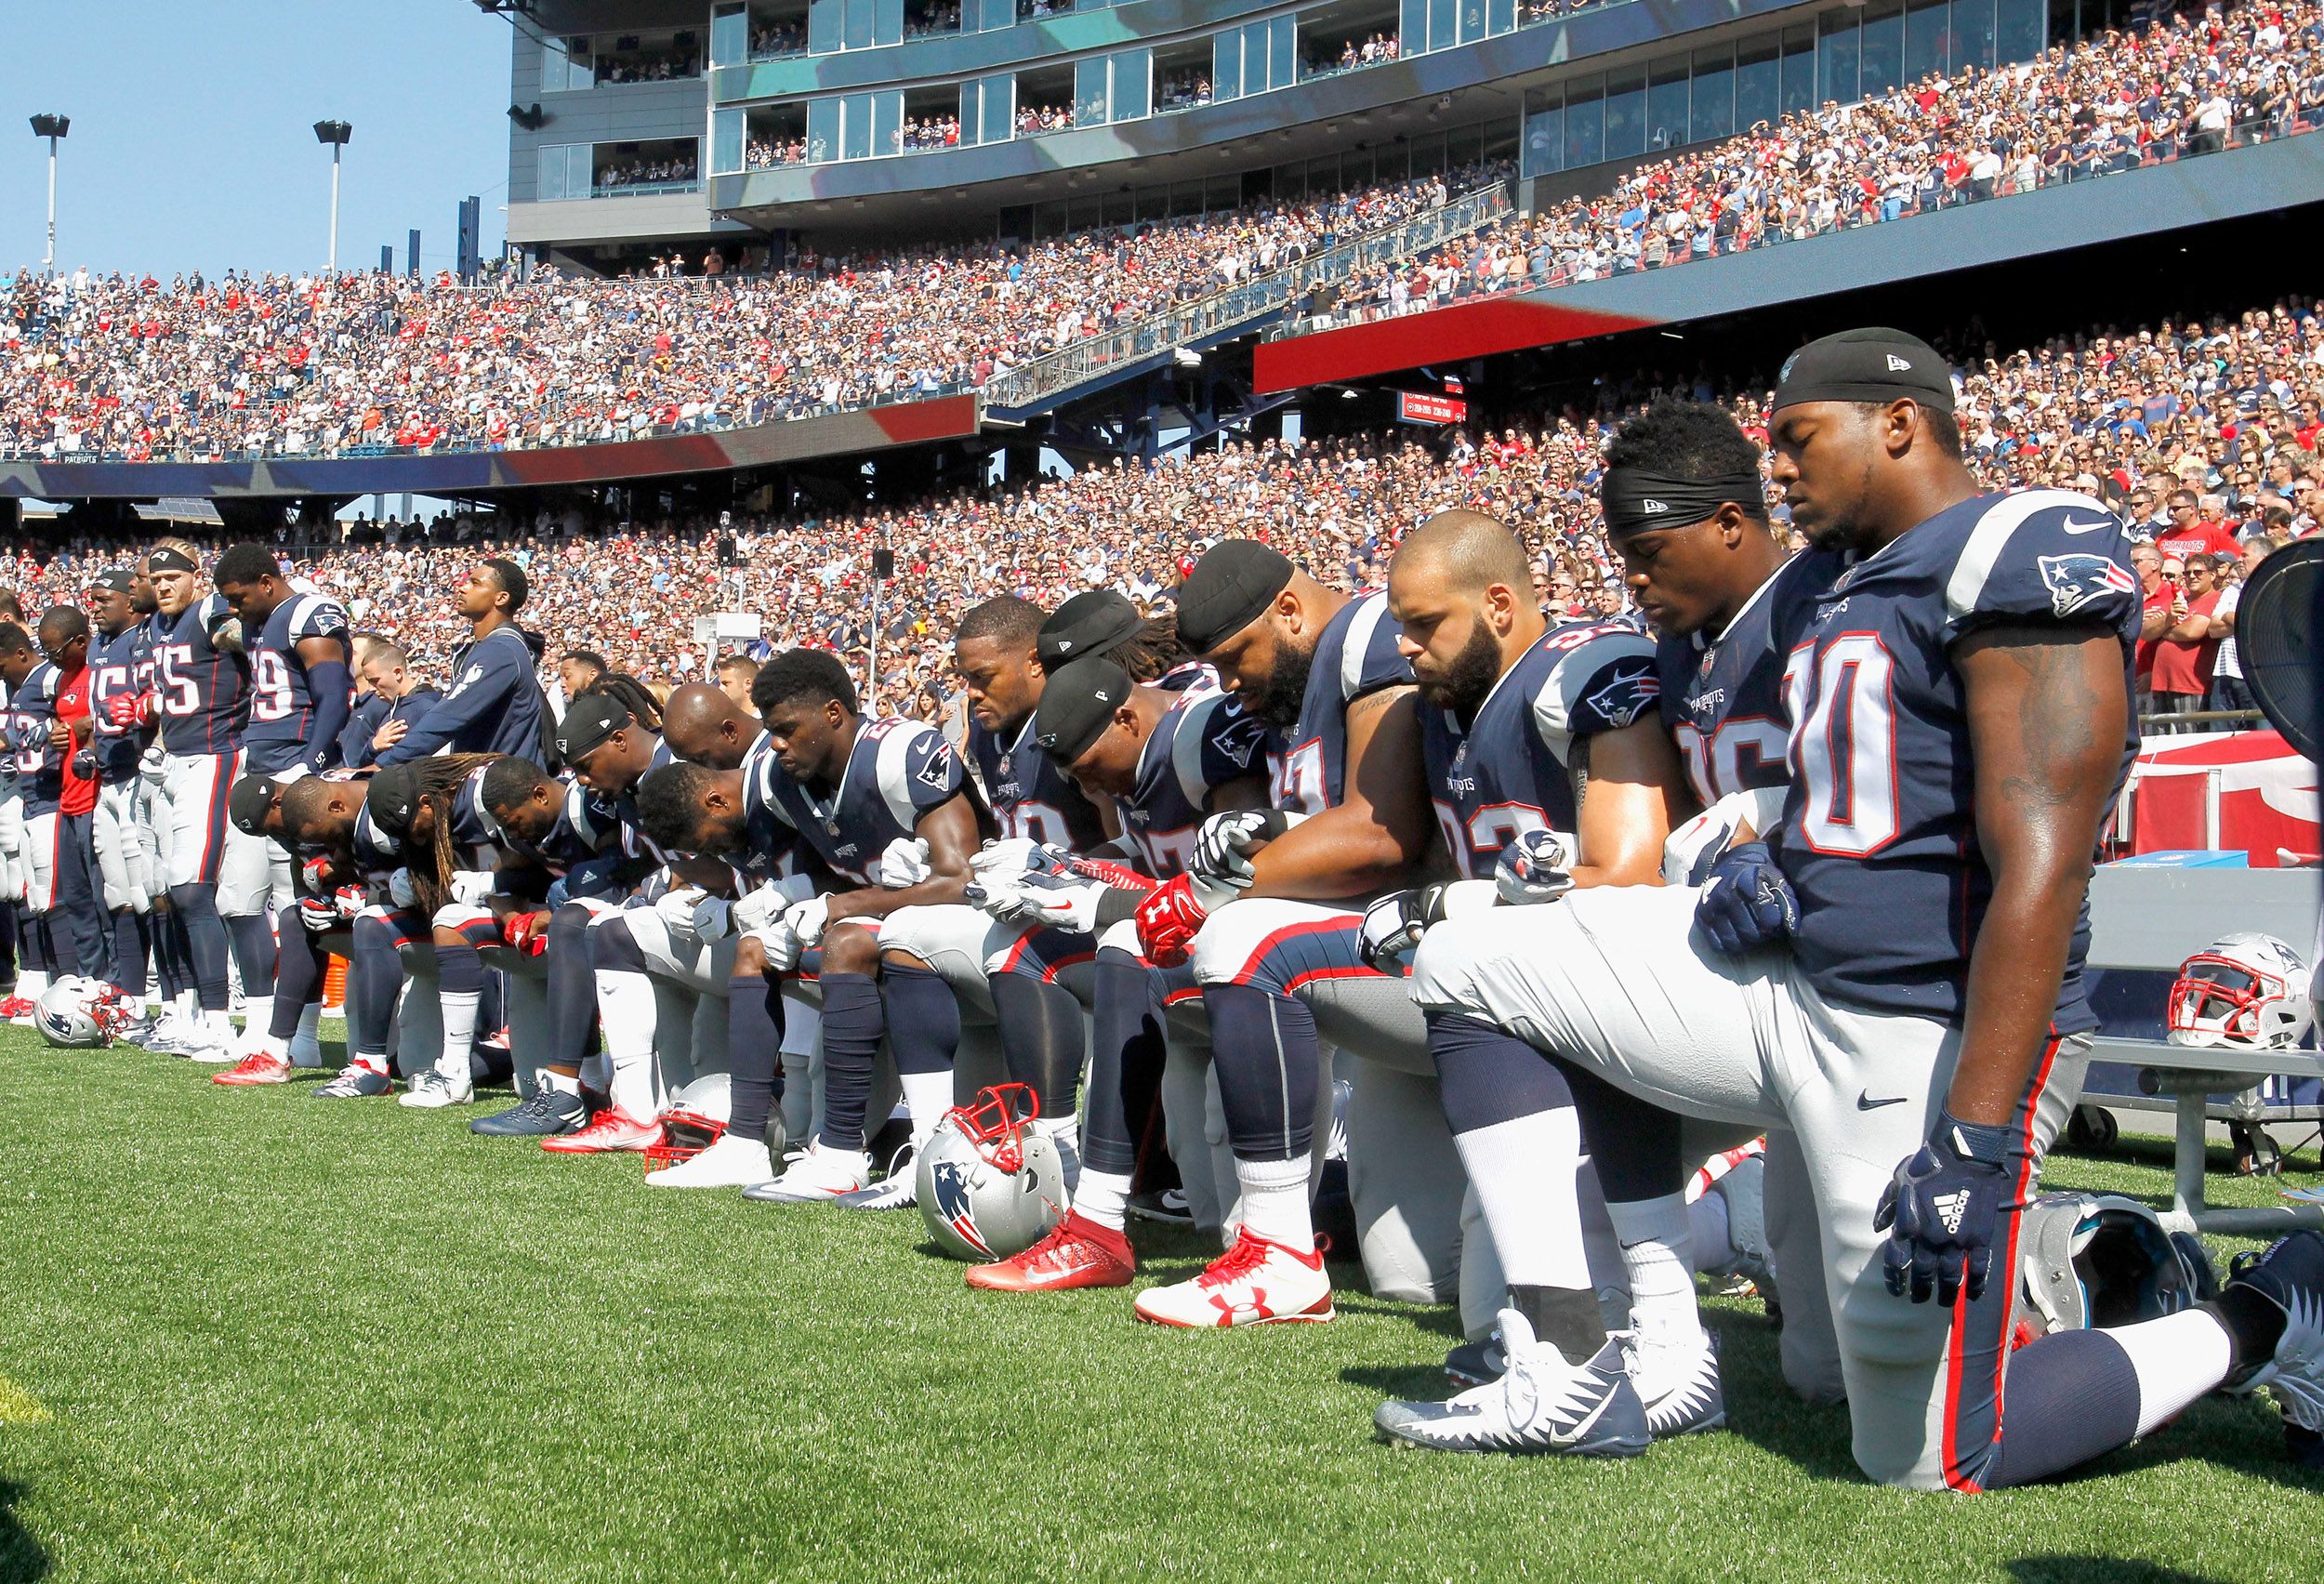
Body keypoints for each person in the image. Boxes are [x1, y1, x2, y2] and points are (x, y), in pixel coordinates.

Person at [1374, 327, 2324, 1491]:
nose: (1773, 470)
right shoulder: (1843, 586)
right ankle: (1580, 1358)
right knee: (1475, 960)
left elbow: (2041, 864)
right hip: (1792, 986)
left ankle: (2275, 1307)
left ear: (1899, 423)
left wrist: (1974, 1132)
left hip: (1921, 1024)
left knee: (1928, 1451)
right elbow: (1870, 800)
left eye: (1796, 438)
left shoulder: (2018, 543)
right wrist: (1771, 859)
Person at [635, 648, 986, 1201]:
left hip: (961, 921)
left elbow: (961, 881)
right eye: (770, 730)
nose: (774, 744)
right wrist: (778, 901)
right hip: (884, 918)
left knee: (845, 940)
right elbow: (823, 867)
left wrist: (838, 906)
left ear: (832, 712)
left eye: (785, 729)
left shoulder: (901, 751)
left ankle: (842, 1153)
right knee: (754, 947)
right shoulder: (779, 781)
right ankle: (746, 1141)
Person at [206, 544, 354, 1079]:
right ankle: (266, 1024)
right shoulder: (259, 623)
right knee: (239, 900)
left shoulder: (308, 614)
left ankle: (298, 1040)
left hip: (296, 770)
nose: (236, 609)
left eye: (240, 597)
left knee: (301, 911)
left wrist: (309, 768)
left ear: (268, 583)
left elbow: (334, 697)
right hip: (259, 768)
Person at [139, 541, 261, 1063]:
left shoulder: (210, 609)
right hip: (177, 761)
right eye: (157, 578)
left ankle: (216, 1022)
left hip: (216, 756)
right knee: (173, 891)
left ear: (196, 576)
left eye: (174, 576)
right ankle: (195, 1016)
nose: (164, 585)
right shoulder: (154, 628)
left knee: (193, 891)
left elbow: (245, 640)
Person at [376, 560, 544, 766]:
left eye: (475, 583)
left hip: (503, 786)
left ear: (501, 598)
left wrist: (385, 763)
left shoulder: (500, 651)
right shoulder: (494, 647)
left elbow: (447, 717)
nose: (462, 587)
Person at [83, 569, 157, 1018]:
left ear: (129, 603)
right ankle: (129, 994)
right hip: (107, 773)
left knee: (146, 888)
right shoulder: (98, 646)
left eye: (103, 600)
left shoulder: (142, 641)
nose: (95, 607)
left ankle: (163, 993)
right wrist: (91, 747)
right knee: (116, 893)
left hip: (137, 771)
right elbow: (98, 711)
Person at [2148, 551, 2222, 728]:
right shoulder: (2179, 600)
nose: (2192, 577)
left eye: (2198, 572)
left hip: (2192, 686)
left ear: (2213, 575)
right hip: (2162, 683)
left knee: (2189, 741)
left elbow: (2192, 631)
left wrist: (2163, 629)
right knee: (2161, 744)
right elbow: (2145, 631)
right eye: (2187, 573)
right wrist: (2167, 621)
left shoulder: (2216, 599)